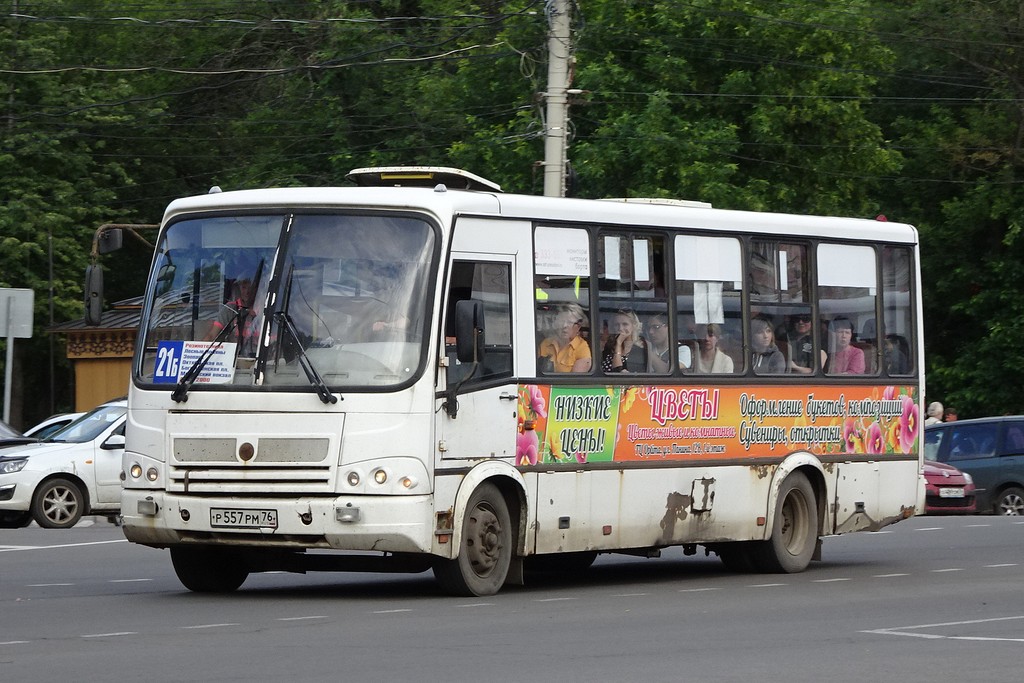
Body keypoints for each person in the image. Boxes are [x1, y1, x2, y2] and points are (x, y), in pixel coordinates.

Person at [205, 278, 260, 356]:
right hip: (234, 358)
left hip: (262, 361)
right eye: (244, 288)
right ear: (238, 289)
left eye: (250, 288)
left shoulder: (264, 308)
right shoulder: (230, 309)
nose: (247, 292)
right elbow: (212, 335)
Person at [537, 303, 592, 373]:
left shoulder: (582, 347)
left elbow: (575, 381)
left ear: (578, 327)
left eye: (569, 322)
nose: (564, 325)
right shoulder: (546, 343)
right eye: (561, 321)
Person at [603, 309, 648, 373]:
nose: (620, 328)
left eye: (625, 324)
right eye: (617, 325)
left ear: (633, 326)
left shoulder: (639, 350)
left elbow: (617, 371)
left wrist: (618, 343)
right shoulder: (609, 347)